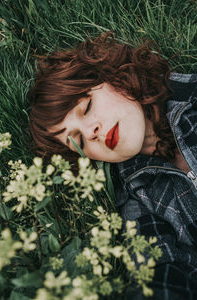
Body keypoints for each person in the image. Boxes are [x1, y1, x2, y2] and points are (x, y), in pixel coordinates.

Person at [29, 33, 197, 299]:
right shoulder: (134, 199)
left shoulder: (192, 96)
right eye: (79, 141)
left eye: (87, 107)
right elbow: (158, 270)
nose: (91, 131)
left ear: (113, 78)